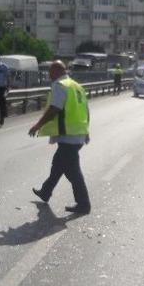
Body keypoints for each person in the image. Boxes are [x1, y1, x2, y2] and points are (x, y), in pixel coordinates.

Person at [29, 61, 91, 214]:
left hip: (68, 135)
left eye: (50, 71)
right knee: (58, 165)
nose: (48, 74)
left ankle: (84, 204)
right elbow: (86, 110)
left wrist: (38, 125)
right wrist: (86, 131)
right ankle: (45, 191)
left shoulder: (60, 85)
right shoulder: (76, 86)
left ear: (56, 71)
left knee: (72, 172)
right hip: (77, 134)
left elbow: (55, 108)